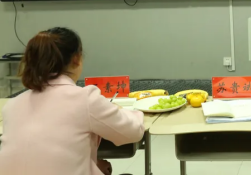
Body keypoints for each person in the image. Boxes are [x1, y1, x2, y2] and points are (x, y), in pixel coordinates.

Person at [0, 27, 145, 175]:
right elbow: (133, 132)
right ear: (76, 59)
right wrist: (124, 110)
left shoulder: (12, 105)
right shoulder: (85, 99)